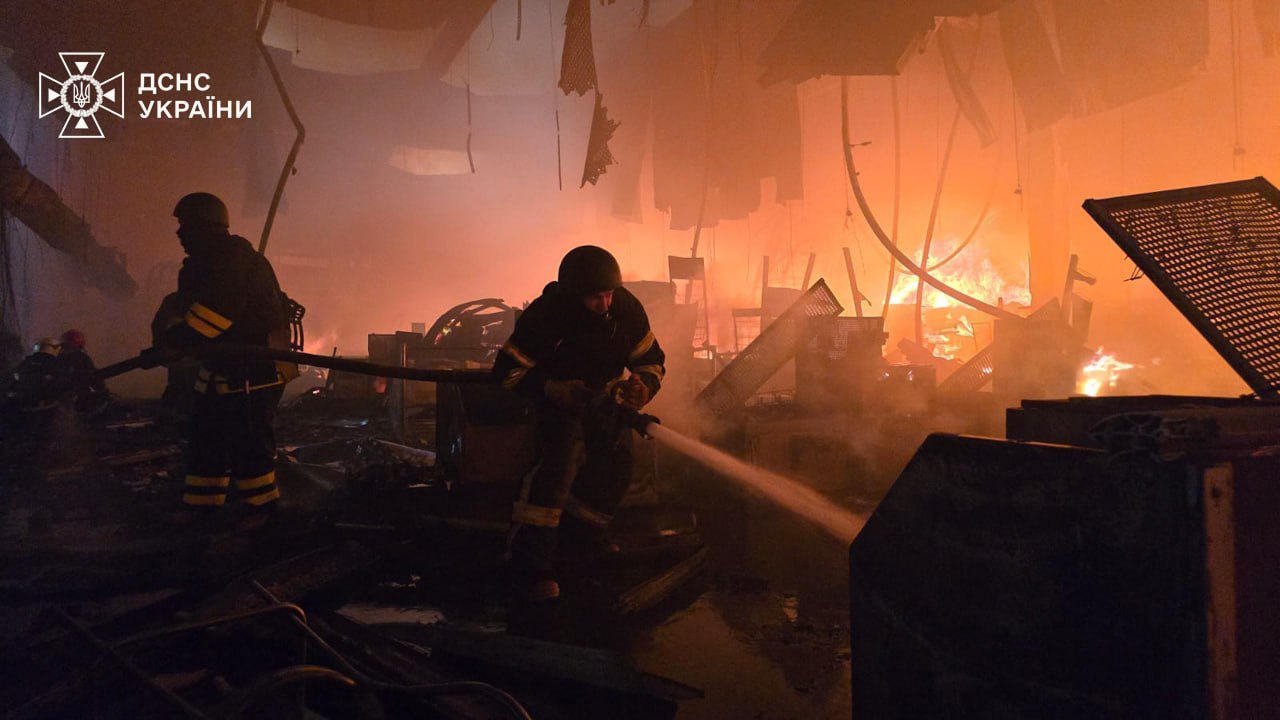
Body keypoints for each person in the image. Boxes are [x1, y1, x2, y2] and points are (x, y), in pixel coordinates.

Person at [493, 245, 666, 609]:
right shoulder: (546, 317)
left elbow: (650, 358)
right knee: (554, 473)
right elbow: (507, 372)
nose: (604, 304)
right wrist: (554, 389)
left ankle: (580, 544)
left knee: (616, 468)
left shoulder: (625, 308)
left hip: (604, 401)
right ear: (574, 295)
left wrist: (643, 386)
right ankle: (530, 569)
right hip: (559, 404)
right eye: (594, 298)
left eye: (609, 295)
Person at [154, 192, 290, 527]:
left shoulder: (231, 257)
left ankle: (262, 510)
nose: (179, 233)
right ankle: (201, 506)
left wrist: (181, 339)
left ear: (205, 225)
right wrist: (172, 338)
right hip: (220, 367)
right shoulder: (207, 262)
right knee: (205, 435)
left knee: (248, 440)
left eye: (185, 225)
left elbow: (219, 310)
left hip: (253, 368)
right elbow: (188, 308)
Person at [53, 329, 109, 415]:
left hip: (57, 403)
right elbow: (95, 379)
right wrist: (103, 393)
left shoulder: (54, 358)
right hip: (79, 403)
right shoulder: (81, 357)